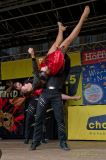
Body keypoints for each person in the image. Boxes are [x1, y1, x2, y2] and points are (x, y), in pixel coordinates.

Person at [29, 6, 90, 151]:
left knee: (60, 119)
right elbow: (63, 41)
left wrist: (83, 17)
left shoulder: (54, 59)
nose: (44, 67)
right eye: (44, 69)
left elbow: (68, 39)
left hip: (56, 93)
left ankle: (63, 142)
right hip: (45, 94)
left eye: (44, 68)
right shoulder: (43, 73)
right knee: (38, 118)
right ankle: (35, 142)